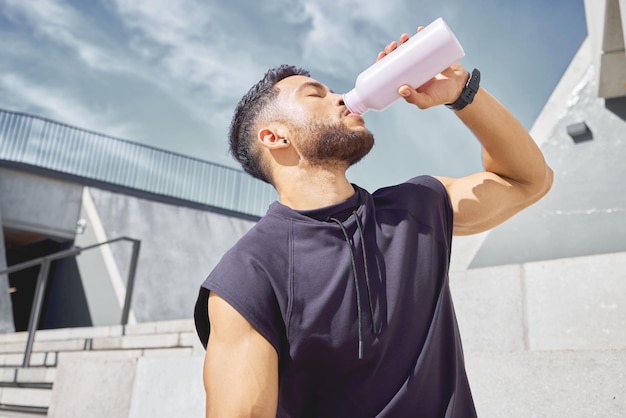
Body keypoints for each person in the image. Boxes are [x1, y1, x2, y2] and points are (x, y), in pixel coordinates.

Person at [194, 30, 553, 417]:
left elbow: (528, 180)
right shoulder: (248, 274)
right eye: (316, 94)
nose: (341, 96)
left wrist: (463, 93)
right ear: (274, 136)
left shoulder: (416, 208)